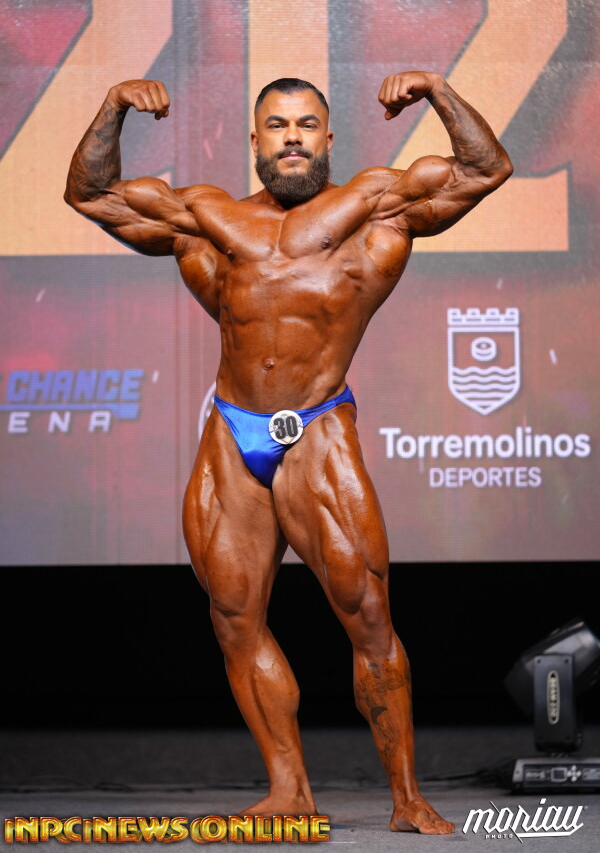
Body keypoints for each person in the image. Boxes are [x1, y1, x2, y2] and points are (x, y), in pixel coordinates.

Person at [65, 70, 512, 834]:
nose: (293, 138)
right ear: (256, 140)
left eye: (306, 125)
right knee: (234, 615)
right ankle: (289, 792)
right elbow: (92, 195)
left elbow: (483, 169)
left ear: (329, 138)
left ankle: (407, 798)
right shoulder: (210, 217)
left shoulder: (375, 205)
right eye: (277, 126)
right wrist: (112, 107)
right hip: (232, 428)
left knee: (367, 614)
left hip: (317, 424)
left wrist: (438, 91)